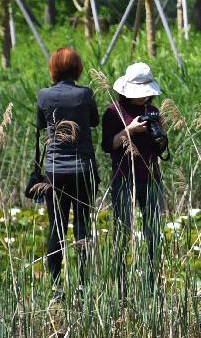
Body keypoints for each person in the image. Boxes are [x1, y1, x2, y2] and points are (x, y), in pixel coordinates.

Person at [36, 47, 99, 292]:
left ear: (53, 68)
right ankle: (84, 285)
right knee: (82, 225)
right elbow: (94, 121)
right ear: (78, 68)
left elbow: (41, 124)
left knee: (56, 226)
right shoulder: (85, 94)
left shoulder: (44, 95)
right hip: (83, 168)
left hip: (55, 170)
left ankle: (55, 287)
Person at [101, 62, 165, 295]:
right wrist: (130, 130)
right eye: (141, 94)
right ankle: (121, 287)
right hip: (124, 178)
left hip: (151, 177)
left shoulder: (153, 110)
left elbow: (160, 147)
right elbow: (108, 145)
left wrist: (161, 133)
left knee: (153, 232)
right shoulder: (112, 111)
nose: (144, 98)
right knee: (122, 232)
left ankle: (152, 284)